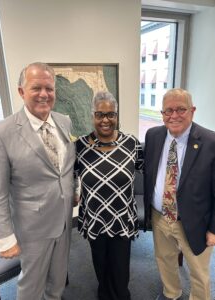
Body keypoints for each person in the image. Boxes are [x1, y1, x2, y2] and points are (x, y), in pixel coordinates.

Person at [0, 62, 76, 300]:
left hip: (65, 222)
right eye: (36, 88)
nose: (44, 94)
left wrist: (74, 189)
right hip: (32, 229)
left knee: (57, 282)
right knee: (31, 287)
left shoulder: (64, 122)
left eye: (49, 88)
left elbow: (68, 166)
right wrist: (5, 239)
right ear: (21, 91)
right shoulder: (0, 133)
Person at [144, 88, 215, 300]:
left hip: (195, 222)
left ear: (192, 111)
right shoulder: (154, 135)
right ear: (162, 113)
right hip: (160, 216)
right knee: (164, 260)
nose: (174, 116)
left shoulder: (211, 143)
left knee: (198, 272)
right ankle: (171, 293)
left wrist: (213, 229)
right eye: (168, 111)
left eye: (181, 109)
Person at [74, 91, 144, 300]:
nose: (105, 120)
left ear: (116, 116)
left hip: (122, 216)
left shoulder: (132, 143)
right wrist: (73, 194)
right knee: (100, 264)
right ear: (93, 116)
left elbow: (141, 169)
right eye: (100, 114)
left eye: (111, 114)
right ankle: (104, 293)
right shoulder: (80, 146)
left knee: (121, 266)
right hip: (94, 216)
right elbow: (69, 174)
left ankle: (122, 295)